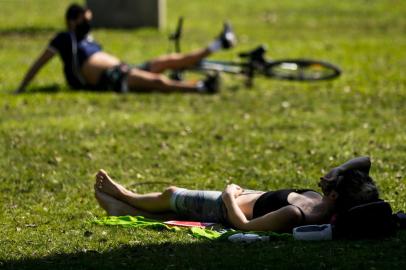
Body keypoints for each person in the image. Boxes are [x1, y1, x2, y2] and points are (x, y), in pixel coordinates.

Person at [94, 156, 379, 232]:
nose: (328, 180)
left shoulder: (297, 213)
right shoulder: (322, 203)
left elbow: (243, 225)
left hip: (223, 207)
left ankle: (125, 195)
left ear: (335, 198)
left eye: (334, 183)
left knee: (171, 196)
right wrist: (340, 170)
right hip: (243, 197)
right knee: (171, 214)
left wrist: (229, 194)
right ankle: (126, 211)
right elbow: (364, 160)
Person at [15, 3, 237, 94]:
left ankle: (218, 43)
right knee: (157, 82)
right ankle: (200, 88)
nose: (87, 22)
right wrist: (22, 87)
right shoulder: (65, 38)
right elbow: (39, 63)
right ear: (73, 21)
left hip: (123, 69)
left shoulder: (88, 39)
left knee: (166, 60)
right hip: (111, 78)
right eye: (84, 18)